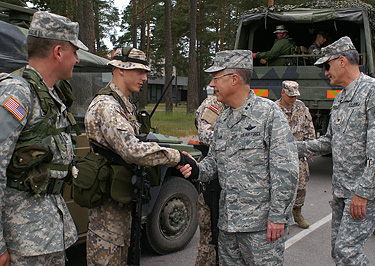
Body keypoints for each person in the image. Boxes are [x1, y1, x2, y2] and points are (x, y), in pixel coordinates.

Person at [179, 50, 299, 265]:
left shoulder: (268, 114)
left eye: (216, 78)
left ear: (234, 79)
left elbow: (286, 169)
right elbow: (213, 163)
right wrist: (195, 168)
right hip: (228, 224)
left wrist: (278, 216)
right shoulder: (223, 118)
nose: (212, 84)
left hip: (261, 227)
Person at [84, 47, 197, 266]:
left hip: (121, 200)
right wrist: (177, 157)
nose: (144, 77)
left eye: (145, 71)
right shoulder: (107, 106)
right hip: (108, 207)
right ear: (120, 70)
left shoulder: (123, 105)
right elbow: (132, 150)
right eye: (138, 70)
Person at [297, 36, 375, 265]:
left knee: (347, 251)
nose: (325, 72)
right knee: (338, 251)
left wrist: (363, 193)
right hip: (343, 188)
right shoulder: (341, 98)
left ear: (342, 61)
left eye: (327, 66)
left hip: (365, 189)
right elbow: (329, 142)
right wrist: (292, 147)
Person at [0, 11, 88, 265]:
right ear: (58, 52)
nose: (77, 59)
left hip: (46, 233)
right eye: (74, 51)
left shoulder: (49, 95)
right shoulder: (17, 93)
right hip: (23, 239)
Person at [275, 80, 316, 229]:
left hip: (299, 154)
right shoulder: (274, 109)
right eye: (290, 96)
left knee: (301, 186)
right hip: (280, 156)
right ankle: (281, 217)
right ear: (283, 93)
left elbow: (309, 126)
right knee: (281, 187)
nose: (293, 99)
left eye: (295, 96)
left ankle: (297, 212)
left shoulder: (301, 107)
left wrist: (310, 146)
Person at [194, 88, 224, 265]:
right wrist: (232, 140)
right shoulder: (214, 104)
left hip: (227, 177)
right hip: (211, 177)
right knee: (209, 234)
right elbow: (204, 135)